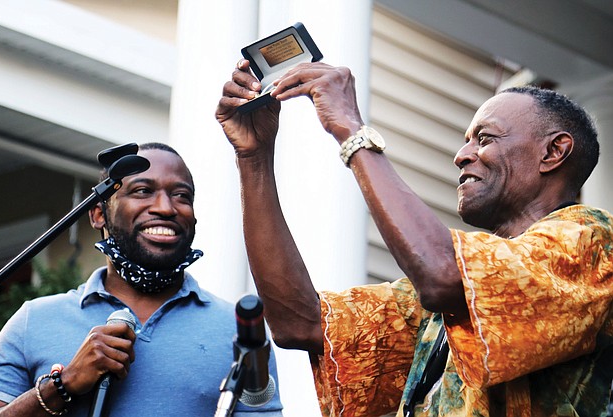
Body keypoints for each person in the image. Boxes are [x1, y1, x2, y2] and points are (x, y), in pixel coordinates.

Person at [215, 60, 613, 416]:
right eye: (466, 140)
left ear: (554, 152)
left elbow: (441, 274)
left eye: (486, 138)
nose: (461, 154)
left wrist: (352, 130)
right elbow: (300, 324)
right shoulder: (457, 296)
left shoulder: (594, 241)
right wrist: (254, 157)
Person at [0, 143, 283, 417]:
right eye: (143, 191)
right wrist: (63, 384)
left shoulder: (239, 328)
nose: (166, 208)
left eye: (182, 195)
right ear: (98, 214)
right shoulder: (33, 321)